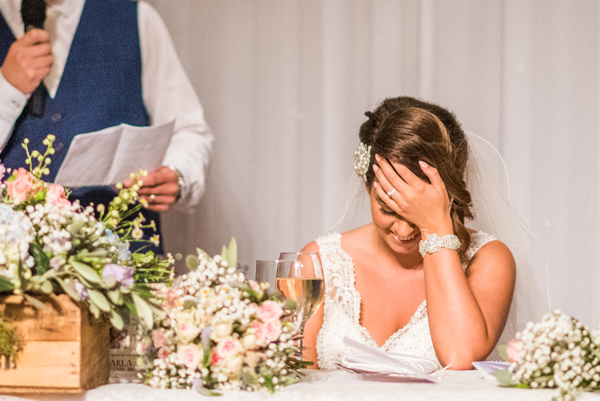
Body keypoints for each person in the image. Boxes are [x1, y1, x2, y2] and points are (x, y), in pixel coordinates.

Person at [302, 97, 519, 370]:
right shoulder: (317, 263)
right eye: (388, 209)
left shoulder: (489, 259)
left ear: (449, 197)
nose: (403, 231)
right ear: (368, 188)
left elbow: (460, 357)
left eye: (417, 214)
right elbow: (296, 380)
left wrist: (434, 227)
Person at [0, 0, 213, 252]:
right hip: (13, 261)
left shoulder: (137, 18)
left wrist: (178, 173)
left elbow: (187, 129)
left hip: (126, 260)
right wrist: (7, 87)